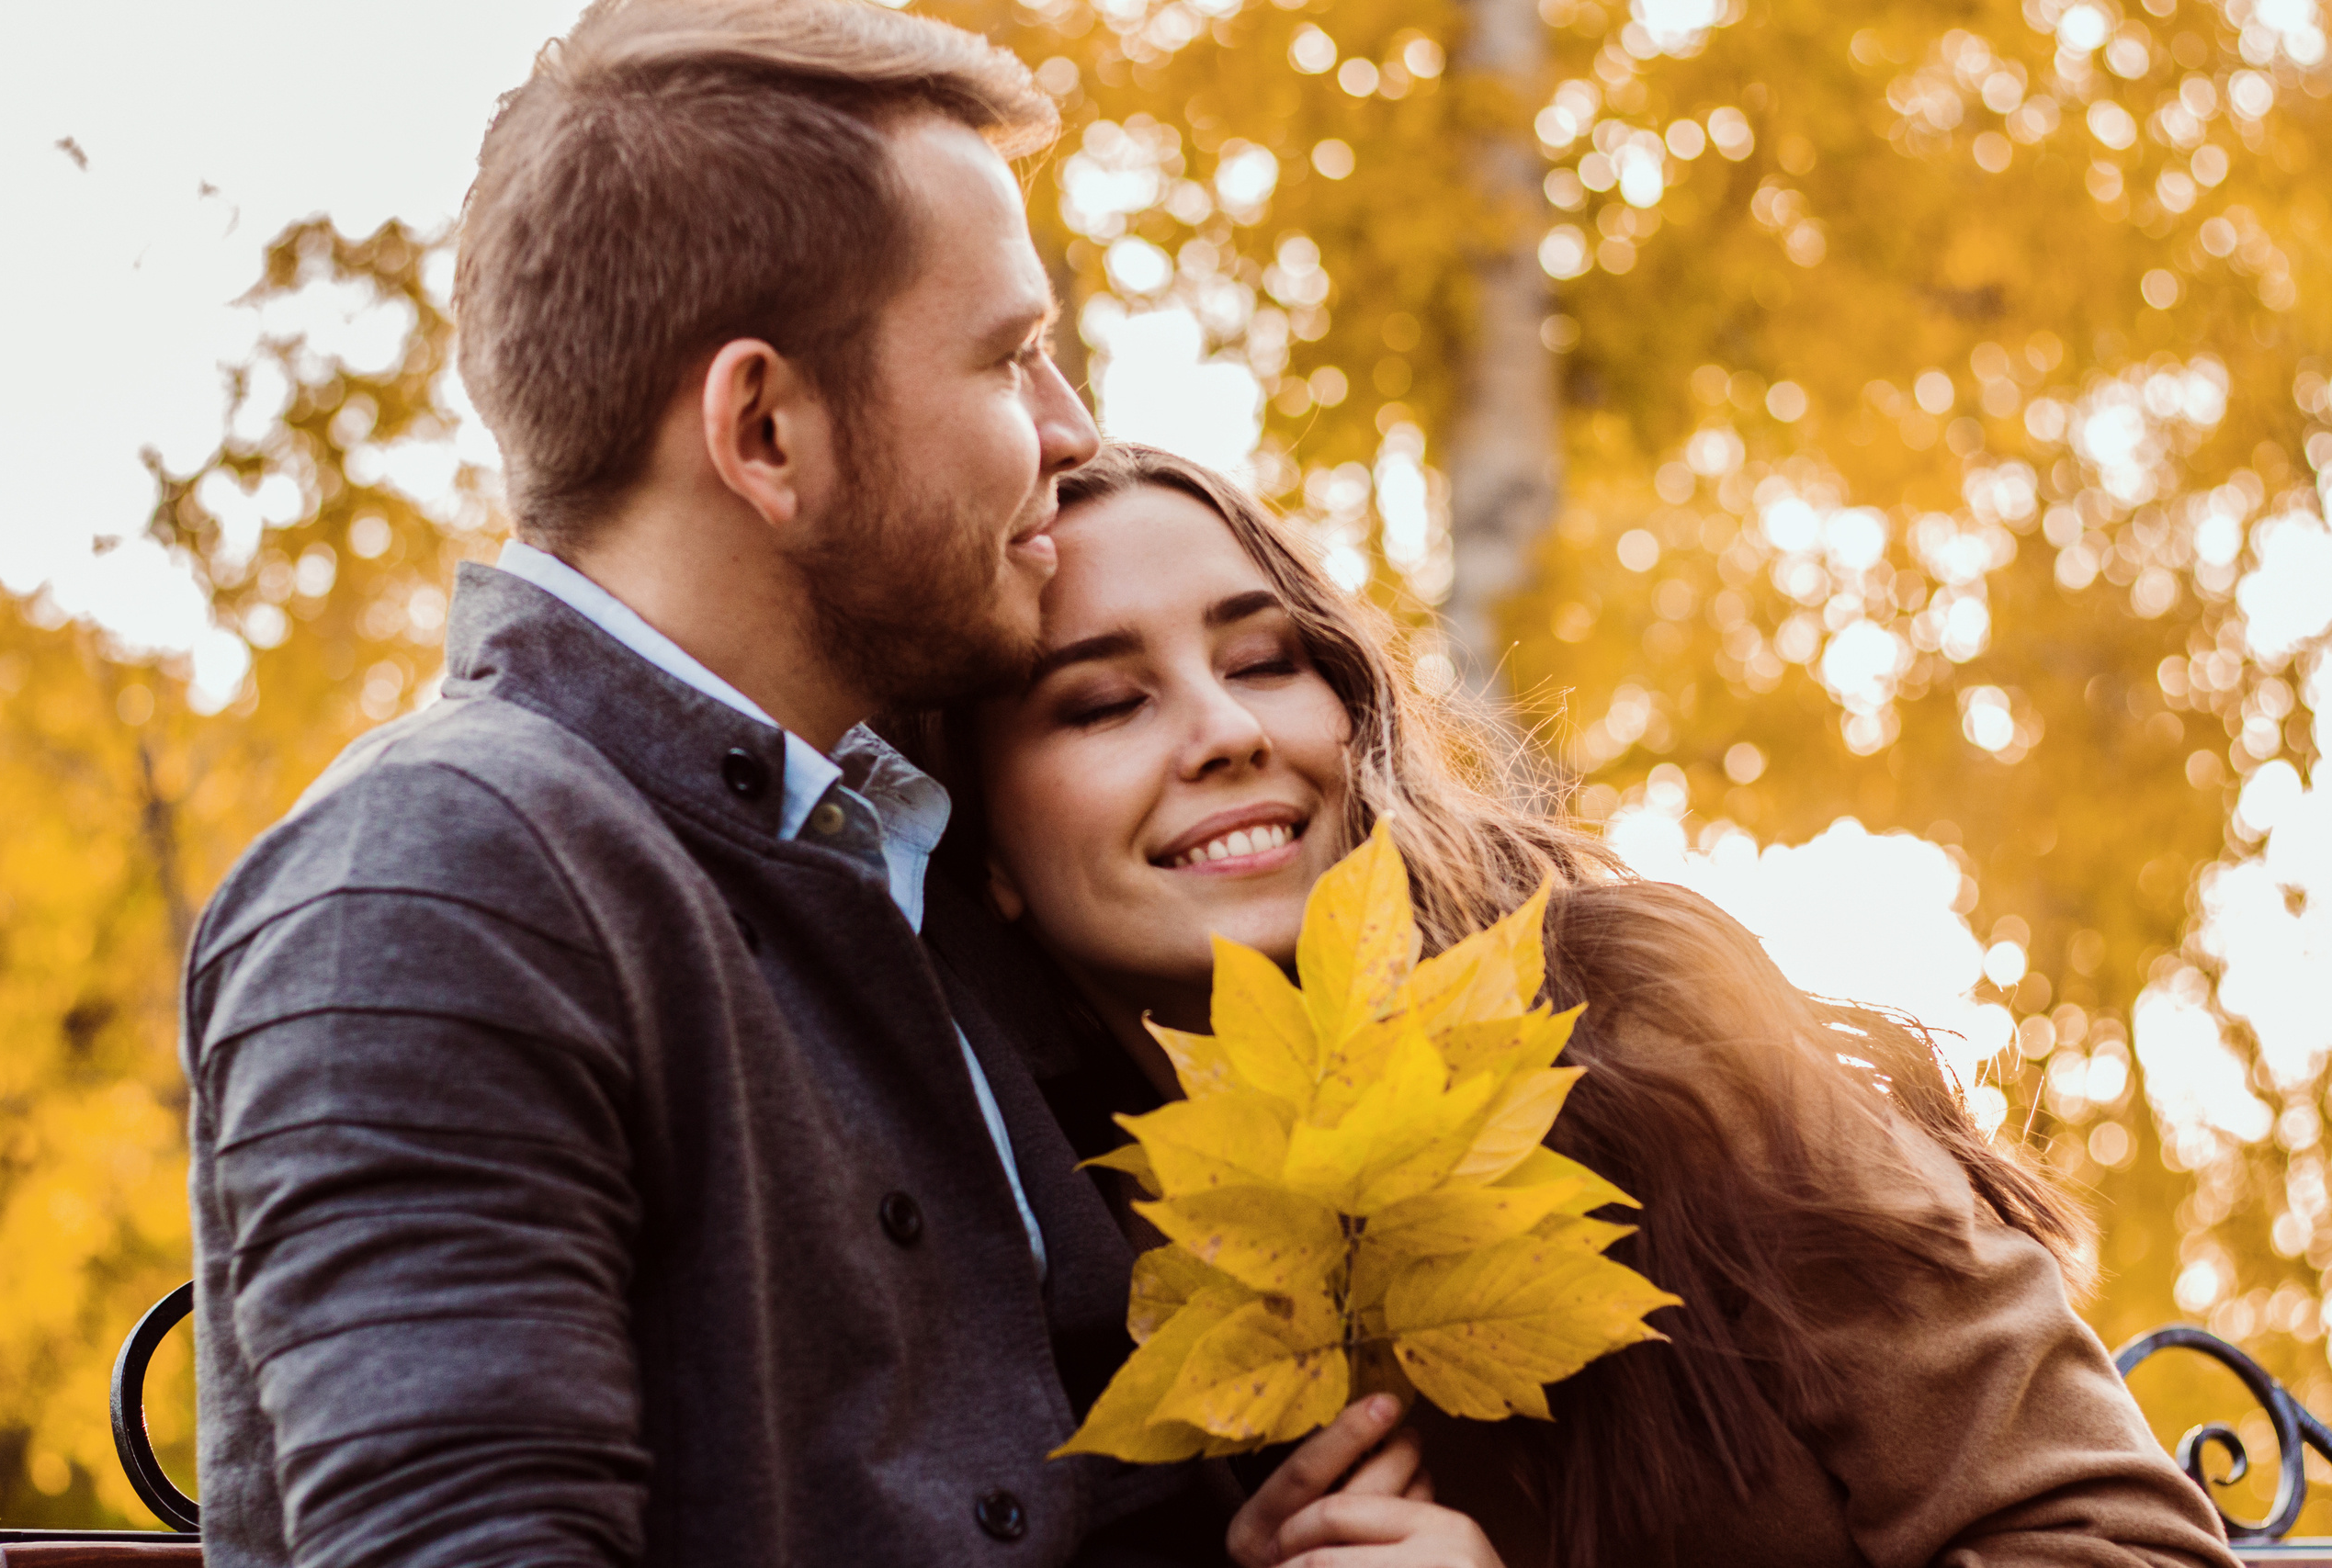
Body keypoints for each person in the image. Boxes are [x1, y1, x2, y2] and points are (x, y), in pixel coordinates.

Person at [180, 6, 1223, 1565]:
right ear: (764, 430)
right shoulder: (434, 880)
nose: (1070, 431)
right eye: (1010, 358)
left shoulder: (908, 866)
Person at [901, 443, 2245, 1568]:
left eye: (1262, 662)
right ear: (978, 843)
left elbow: (2128, 1549)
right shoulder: (1033, 1245)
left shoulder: (1653, 1040)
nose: (1228, 731)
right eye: (1106, 703)